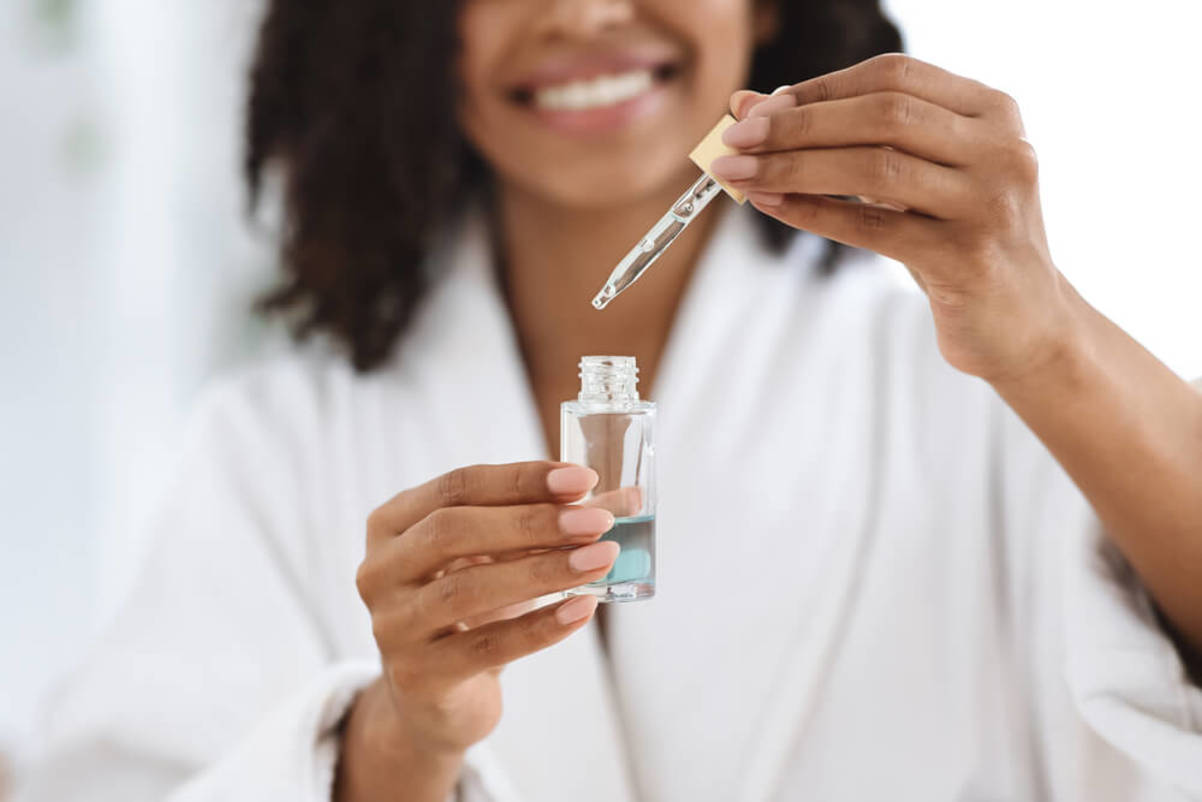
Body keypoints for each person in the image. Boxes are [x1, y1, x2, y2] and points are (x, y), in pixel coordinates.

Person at [18, 1, 1202, 801]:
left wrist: (1050, 342)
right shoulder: (275, 448)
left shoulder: (972, 385)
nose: (582, 11)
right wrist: (397, 735)